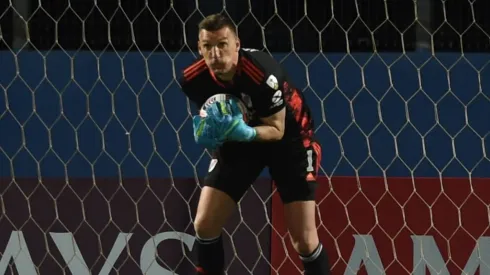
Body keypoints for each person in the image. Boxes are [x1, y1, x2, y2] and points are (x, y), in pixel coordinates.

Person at [178, 13, 331, 275]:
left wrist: (244, 132)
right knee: (204, 224)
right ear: (199, 48)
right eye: (208, 46)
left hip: (291, 140)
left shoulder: (262, 72)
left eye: (222, 44)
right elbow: (215, 116)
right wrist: (210, 133)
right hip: (241, 140)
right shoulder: (192, 79)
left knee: (304, 240)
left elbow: (277, 129)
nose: (215, 54)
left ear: (237, 44)